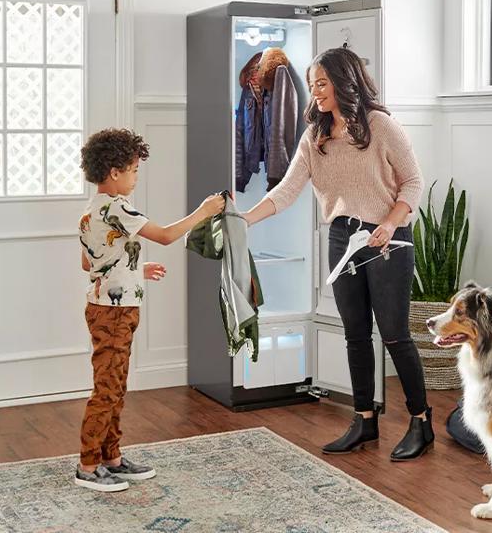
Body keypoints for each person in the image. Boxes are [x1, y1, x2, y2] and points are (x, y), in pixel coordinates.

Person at [242, 48, 433, 461]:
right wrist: (245, 220)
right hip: (342, 237)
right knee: (355, 335)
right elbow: (287, 190)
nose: (315, 93)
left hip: (387, 241)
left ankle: (421, 421)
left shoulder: (381, 126)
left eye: (321, 84)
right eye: (312, 85)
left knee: (396, 335)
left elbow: (413, 182)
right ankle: (364, 420)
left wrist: (390, 223)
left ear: (345, 83)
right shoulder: (317, 136)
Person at [76, 128, 225, 491]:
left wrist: (134, 270)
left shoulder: (91, 211)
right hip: (114, 314)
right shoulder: (118, 206)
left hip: (107, 306)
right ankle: (87, 465)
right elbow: (165, 235)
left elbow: (89, 263)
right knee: (107, 388)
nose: (135, 177)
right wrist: (204, 212)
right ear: (114, 172)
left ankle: (111, 457)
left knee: (115, 384)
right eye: (134, 170)